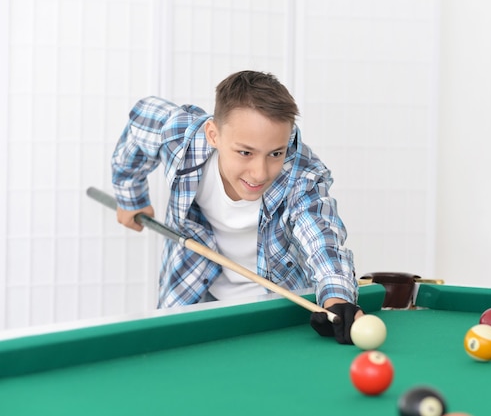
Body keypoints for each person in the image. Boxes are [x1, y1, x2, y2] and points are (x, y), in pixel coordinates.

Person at [111, 70, 362, 344]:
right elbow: (141, 119)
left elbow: (321, 237)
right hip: (191, 294)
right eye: (245, 152)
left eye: (275, 153)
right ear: (213, 135)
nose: (259, 173)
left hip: (277, 311)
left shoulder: (301, 176)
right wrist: (131, 197)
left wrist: (337, 298)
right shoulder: (180, 138)